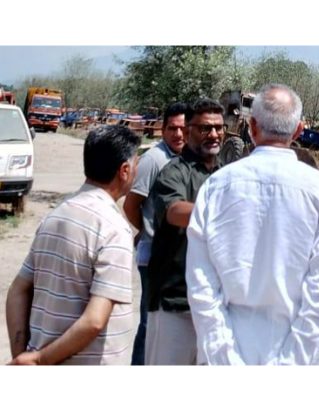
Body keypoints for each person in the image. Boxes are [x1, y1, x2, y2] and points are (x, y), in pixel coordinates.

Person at [186, 84, 319, 365]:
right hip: (304, 357)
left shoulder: (215, 188)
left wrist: (225, 358)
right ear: (298, 131)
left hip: (230, 351)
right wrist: (292, 362)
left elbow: (201, 286)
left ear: (251, 126)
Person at [5, 125, 141, 365]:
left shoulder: (56, 215)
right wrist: (37, 360)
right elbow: (95, 320)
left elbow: (18, 290)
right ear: (125, 170)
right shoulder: (113, 228)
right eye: (136, 165)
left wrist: (22, 356)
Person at [145, 98, 223, 365]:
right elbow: (175, 211)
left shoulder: (227, 175)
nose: (214, 134)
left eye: (219, 128)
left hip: (214, 306)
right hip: (174, 303)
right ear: (188, 131)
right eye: (205, 128)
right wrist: (229, 215)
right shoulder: (173, 172)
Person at [123, 101, 189, 365]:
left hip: (175, 257)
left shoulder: (184, 158)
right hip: (152, 257)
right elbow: (131, 204)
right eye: (172, 128)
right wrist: (146, 230)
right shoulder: (154, 159)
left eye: (183, 128)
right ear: (163, 131)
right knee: (150, 322)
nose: (179, 134)